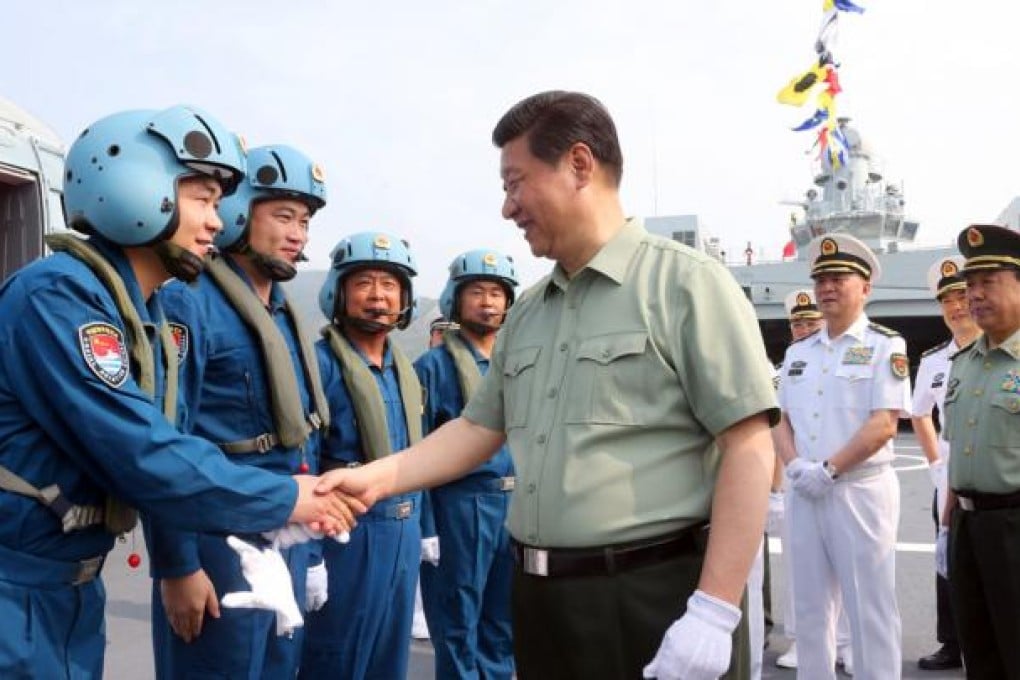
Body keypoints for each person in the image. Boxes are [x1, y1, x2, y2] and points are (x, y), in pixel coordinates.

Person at [316, 90, 779, 680]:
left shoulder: (686, 284)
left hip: (653, 595)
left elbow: (748, 445)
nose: (507, 207)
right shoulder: (529, 311)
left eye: (515, 183)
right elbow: (477, 428)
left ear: (579, 165)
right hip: (540, 601)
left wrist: (713, 612)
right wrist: (374, 479)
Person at [0, 106, 355, 678]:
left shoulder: (150, 318)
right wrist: (286, 499)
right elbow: (142, 451)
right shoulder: (57, 295)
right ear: (135, 186)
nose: (217, 223)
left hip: (71, 591)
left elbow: (172, 437)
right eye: (203, 200)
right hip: (16, 588)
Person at [148, 144, 334, 678]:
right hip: (218, 541)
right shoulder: (189, 302)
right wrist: (178, 566)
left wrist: (311, 550)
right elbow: (164, 439)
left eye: (304, 221)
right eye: (283, 216)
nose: (298, 234)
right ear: (237, 212)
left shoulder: (281, 314)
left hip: (285, 533)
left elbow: (301, 437)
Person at [774, 233, 910, 680]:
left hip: (859, 491)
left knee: (869, 609)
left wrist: (830, 470)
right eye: (821, 279)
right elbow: (780, 420)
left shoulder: (885, 345)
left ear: (865, 287)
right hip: (804, 489)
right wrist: (795, 465)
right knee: (810, 609)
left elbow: (884, 423)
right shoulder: (797, 353)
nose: (827, 287)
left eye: (838, 278)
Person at [299, 231, 424, 679]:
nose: (378, 296)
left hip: (404, 534)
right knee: (335, 660)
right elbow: (304, 465)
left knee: (389, 661)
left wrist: (425, 531)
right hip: (347, 537)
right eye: (364, 283)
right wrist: (310, 558)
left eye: (390, 285)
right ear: (339, 292)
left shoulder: (404, 371)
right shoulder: (319, 365)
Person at [415, 249, 519, 679]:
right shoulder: (432, 367)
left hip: (513, 505)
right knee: (456, 622)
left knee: (503, 621)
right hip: (460, 505)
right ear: (455, 299)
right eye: (477, 292)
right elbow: (418, 450)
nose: (488, 302)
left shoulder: (518, 363)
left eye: (496, 293)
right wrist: (426, 526)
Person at [941, 224, 1020, 678]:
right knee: (979, 652)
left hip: (1014, 526)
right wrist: (948, 522)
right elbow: (960, 449)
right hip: (967, 528)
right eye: (970, 285)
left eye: (988, 282)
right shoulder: (964, 363)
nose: (974, 295)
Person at [771, 290, 853, 673]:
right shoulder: (787, 366)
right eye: (797, 323)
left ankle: (848, 643)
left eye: (810, 321)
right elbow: (779, 422)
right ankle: (803, 641)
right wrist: (789, 472)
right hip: (800, 479)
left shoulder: (842, 358)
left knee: (851, 568)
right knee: (801, 570)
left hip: (845, 478)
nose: (803, 328)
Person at [911, 256, 974, 672]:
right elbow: (919, 413)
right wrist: (936, 463)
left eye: (962, 296)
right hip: (948, 481)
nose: (956, 306)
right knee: (947, 563)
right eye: (946, 300)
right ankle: (952, 643)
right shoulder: (934, 361)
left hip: (997, 477)